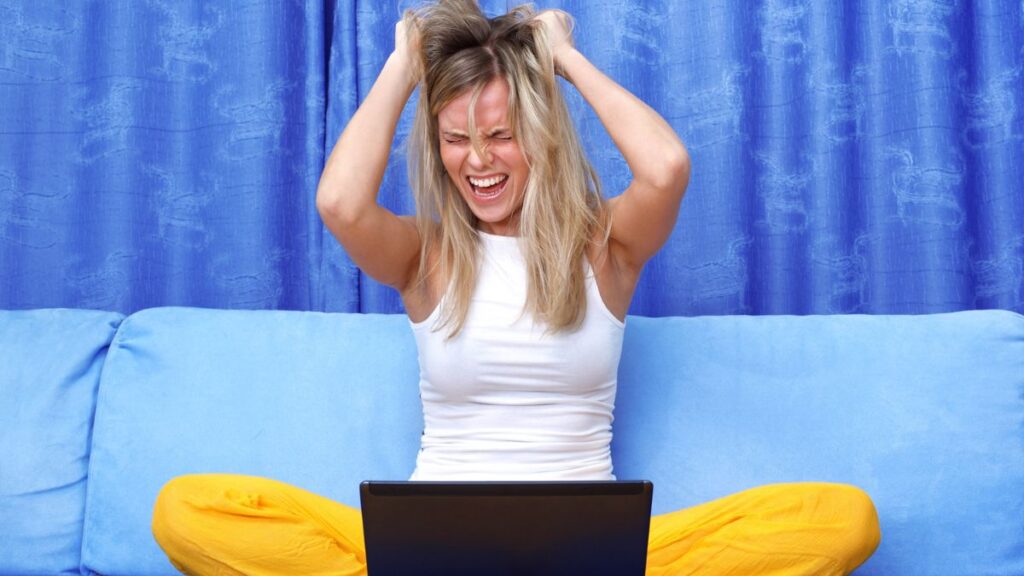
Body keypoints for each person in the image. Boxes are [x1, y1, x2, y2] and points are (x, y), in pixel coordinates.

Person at [151, 1, 881, 574]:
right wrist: (406, 64)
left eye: (500, 135)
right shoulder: (426, 255)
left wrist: (561, 57)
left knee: (845, 519)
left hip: (593, 555)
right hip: (429, 548)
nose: (478, 162)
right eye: (454, 138)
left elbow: (666, 167)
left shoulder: (605, 246)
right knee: (184, 509)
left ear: (540, 135)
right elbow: (340, 203)